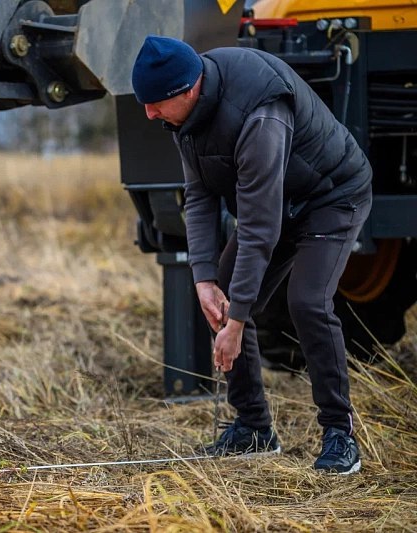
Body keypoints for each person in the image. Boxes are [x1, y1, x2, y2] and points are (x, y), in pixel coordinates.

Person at [131, 36, 372, 474]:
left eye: (155, 103)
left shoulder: (261, 111)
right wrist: (204, 278)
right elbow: (200, 195)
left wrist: (239, 320)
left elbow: (260, 227)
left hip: (331, 197)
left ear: (188, 89)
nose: (149, 114)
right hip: (276, 202)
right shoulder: (183, 117)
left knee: (307, 301)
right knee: (222, 297)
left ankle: (341, 434)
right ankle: (254, 428)